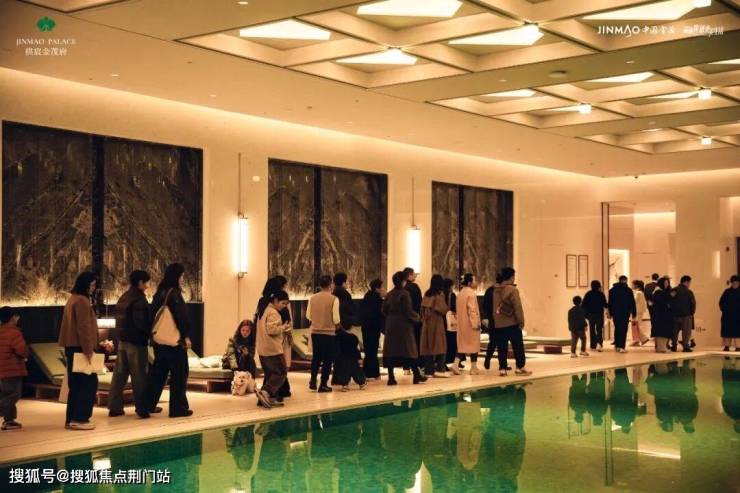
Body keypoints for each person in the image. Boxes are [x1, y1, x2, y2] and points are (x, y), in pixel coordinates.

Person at [146, 263, 194, 418]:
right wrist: (185, 335)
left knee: (158, 374)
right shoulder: (174, 294)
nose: (182, 278)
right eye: (182, 276)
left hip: (160, 341)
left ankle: (147, 405)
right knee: (179, 375)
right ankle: (178, 408)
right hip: (174, 342)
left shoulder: (159, 293)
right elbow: (181, 317)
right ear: (177, 276)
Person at [108, 270, 157, 419]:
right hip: (136, 342)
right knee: (139, 376)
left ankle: (114, 407)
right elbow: (141, 323)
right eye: (146, 282)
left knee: (119, 376)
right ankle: (142, 408)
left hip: (122, 342)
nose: (147, 286)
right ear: (140, 282)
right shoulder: (139, 300)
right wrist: (149, 333)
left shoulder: (124, 297)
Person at [59, 272, 100, 430]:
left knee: (76, 385)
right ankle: (80, 418)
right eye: (92, 284)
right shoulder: (82, 301)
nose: (93, 288)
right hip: (81, 348)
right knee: (88, 384)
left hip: (72, 347)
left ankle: (71, 418)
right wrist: (88, 350)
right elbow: (83, 327)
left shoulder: (72, 299)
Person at [381, 271, 426, 385]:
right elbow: (408, 311)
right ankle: (416, 375)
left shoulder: (389, 294)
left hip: (391, 324)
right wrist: (418, 318)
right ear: (403, 281)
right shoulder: (405, 294)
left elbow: (384, 310)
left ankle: (391, 378)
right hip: (403, 325)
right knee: (410, 350)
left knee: (391, 351)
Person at [255, 276, 293, 398]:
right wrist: (284, 328)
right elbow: (272, 329)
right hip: (274, 345)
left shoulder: (263, 305)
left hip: (263, 345)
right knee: (280, 371)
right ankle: (268, 392)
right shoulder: (274, 311)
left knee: (271, 373)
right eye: (284, 303)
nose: (284, 305)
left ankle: (267, 396)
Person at [493, 267, 531, 376]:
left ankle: (502, 368)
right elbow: (517, 307)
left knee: (502, 347)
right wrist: (521, 322)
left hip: (499, 323)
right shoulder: (513, 290)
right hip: (512, 323)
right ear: (511, 277)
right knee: (518, 346)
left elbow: (494, 307)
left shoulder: (495, 290)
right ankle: (520, 367)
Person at [307, 275, 340, 392]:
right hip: (329, 333)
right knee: (327, 360)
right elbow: (336, 318)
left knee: (316, 358)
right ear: (330, 284)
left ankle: (312, 381)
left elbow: (308, 315)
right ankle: (323, 384)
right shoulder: (334, 299)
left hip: (315, 332)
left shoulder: (312, 298)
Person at [0, 307, 28, 431]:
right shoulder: (14, 332)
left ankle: (9, 421)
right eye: (17, 316)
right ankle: (7, 417)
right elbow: (22, 350)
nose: (18, 318)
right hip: (12, 369)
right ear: (12, 318)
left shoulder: (1, 331)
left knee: (6, 393)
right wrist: (26, 354)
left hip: (2, 369)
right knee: (14, 394)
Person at [451, 273, 481, 375]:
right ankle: (473, 367)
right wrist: (475, 323)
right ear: (469, 283)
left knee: (463, 345)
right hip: (470, 323)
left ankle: (456, 364)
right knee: (474, 344)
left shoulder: (460, 293)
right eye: (474, 280)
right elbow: (472, 310)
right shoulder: (471, 294)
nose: (476, 282)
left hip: (462, 323)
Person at [420, 274, 449, 378]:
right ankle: (440, 369)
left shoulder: (427, 294)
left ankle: (429, 370)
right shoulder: (439, 295)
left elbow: (422, 309)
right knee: (440, 346)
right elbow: (443, 310)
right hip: (437, 323)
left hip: (427, 324)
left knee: (428, 347)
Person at [360, 279, 384, 380]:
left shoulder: (367, 296)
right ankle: (373, 373)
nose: (383, 289)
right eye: (382, 287)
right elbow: (379, 314)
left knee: (368, 350)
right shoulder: (377, 299)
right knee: (373, 350)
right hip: (373, 327)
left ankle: (367, 372)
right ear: (377, 288)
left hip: (365, 327)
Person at [608, 275, 637, 353]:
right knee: (623, 330)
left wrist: (610, 313)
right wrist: (634, 313)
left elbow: (610, 302)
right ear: (625, 281)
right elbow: (632, 302)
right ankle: (621, 347)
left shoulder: (612, 290)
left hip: (615, 313)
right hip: (625, 313)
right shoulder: (628, 290)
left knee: (617, 328)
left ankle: (617, 346)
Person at [333, 327, 367, 391]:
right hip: (353, 358)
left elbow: (336, 349)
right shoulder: (353, 337)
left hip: (342, 357)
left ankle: (345, 385)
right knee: (356, 372)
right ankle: (362, 384)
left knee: (344, 372)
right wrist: (359, 358)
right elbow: (356, 349)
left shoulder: (338, 336)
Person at [403, 267, 423, 367]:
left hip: (404, 319)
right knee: (415, 340)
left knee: (406, 342)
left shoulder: (402, 288)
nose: (415, 275)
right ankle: (417, 364)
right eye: (414, 273)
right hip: (415, 317)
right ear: (409, 275)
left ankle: (406, 366)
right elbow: (419, 303)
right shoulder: (414, 287)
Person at [672, 275, 696, 352]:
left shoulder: (674, 290)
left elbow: (670, 301)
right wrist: (691, 313)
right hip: (686, 315)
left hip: (675, 315)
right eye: (689, 283)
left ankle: (674, 346)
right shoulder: (688, 292)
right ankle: (685, 347)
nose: (689, 284)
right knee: (686, 332)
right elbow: (693, 303)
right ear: (686, 282)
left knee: (674, 332)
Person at [582, 280, 608, 352]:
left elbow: (583, 304)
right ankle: (599, 344)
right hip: (599, 314)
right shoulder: (601, 294)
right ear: (599, 286)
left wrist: (585, 314)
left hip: (591, 314)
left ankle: (593, 345)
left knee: (592, 330)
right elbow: (605, 304)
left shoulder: (588, 294)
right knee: (599, 329)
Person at [650, 277, 673, 353]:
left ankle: (661, 347)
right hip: (661, 316)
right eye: (665, 283)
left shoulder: (659, 291)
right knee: (661, 332)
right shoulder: (658, 292)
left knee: (662, 332)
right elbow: (662, 303)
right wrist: (670, 297)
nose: (667, 284)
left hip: (661, 315)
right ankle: (661, 348)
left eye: (667, 283)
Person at [720, 275, 739, 351]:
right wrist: (724, 310)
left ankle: (738, 347)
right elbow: (721, 302)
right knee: (727, 332)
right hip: (727, 316)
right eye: (733, 283)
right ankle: (727, 346)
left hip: (738, 316)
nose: (734, 284)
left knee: (738, 332)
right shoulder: (727, 292)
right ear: (731, 283)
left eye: (736, 283)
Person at [443, 278, 459, 365]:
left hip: (443, 320)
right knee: (453, 340)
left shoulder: (441, 294)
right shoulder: (451, 295)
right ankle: (454, 360)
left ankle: (445, 360)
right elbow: (455, 307)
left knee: (446, 341)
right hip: (451, 320)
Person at [630, 280, 650, 346]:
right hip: (638, 311)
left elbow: (634, 301)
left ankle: (642, 339)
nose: (632, 286)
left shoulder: (638, 293)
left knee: (636, 326)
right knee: (635, 325)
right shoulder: (640, 292)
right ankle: (638, 340)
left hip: (637, 311)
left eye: (632, 284)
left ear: (636, 285)